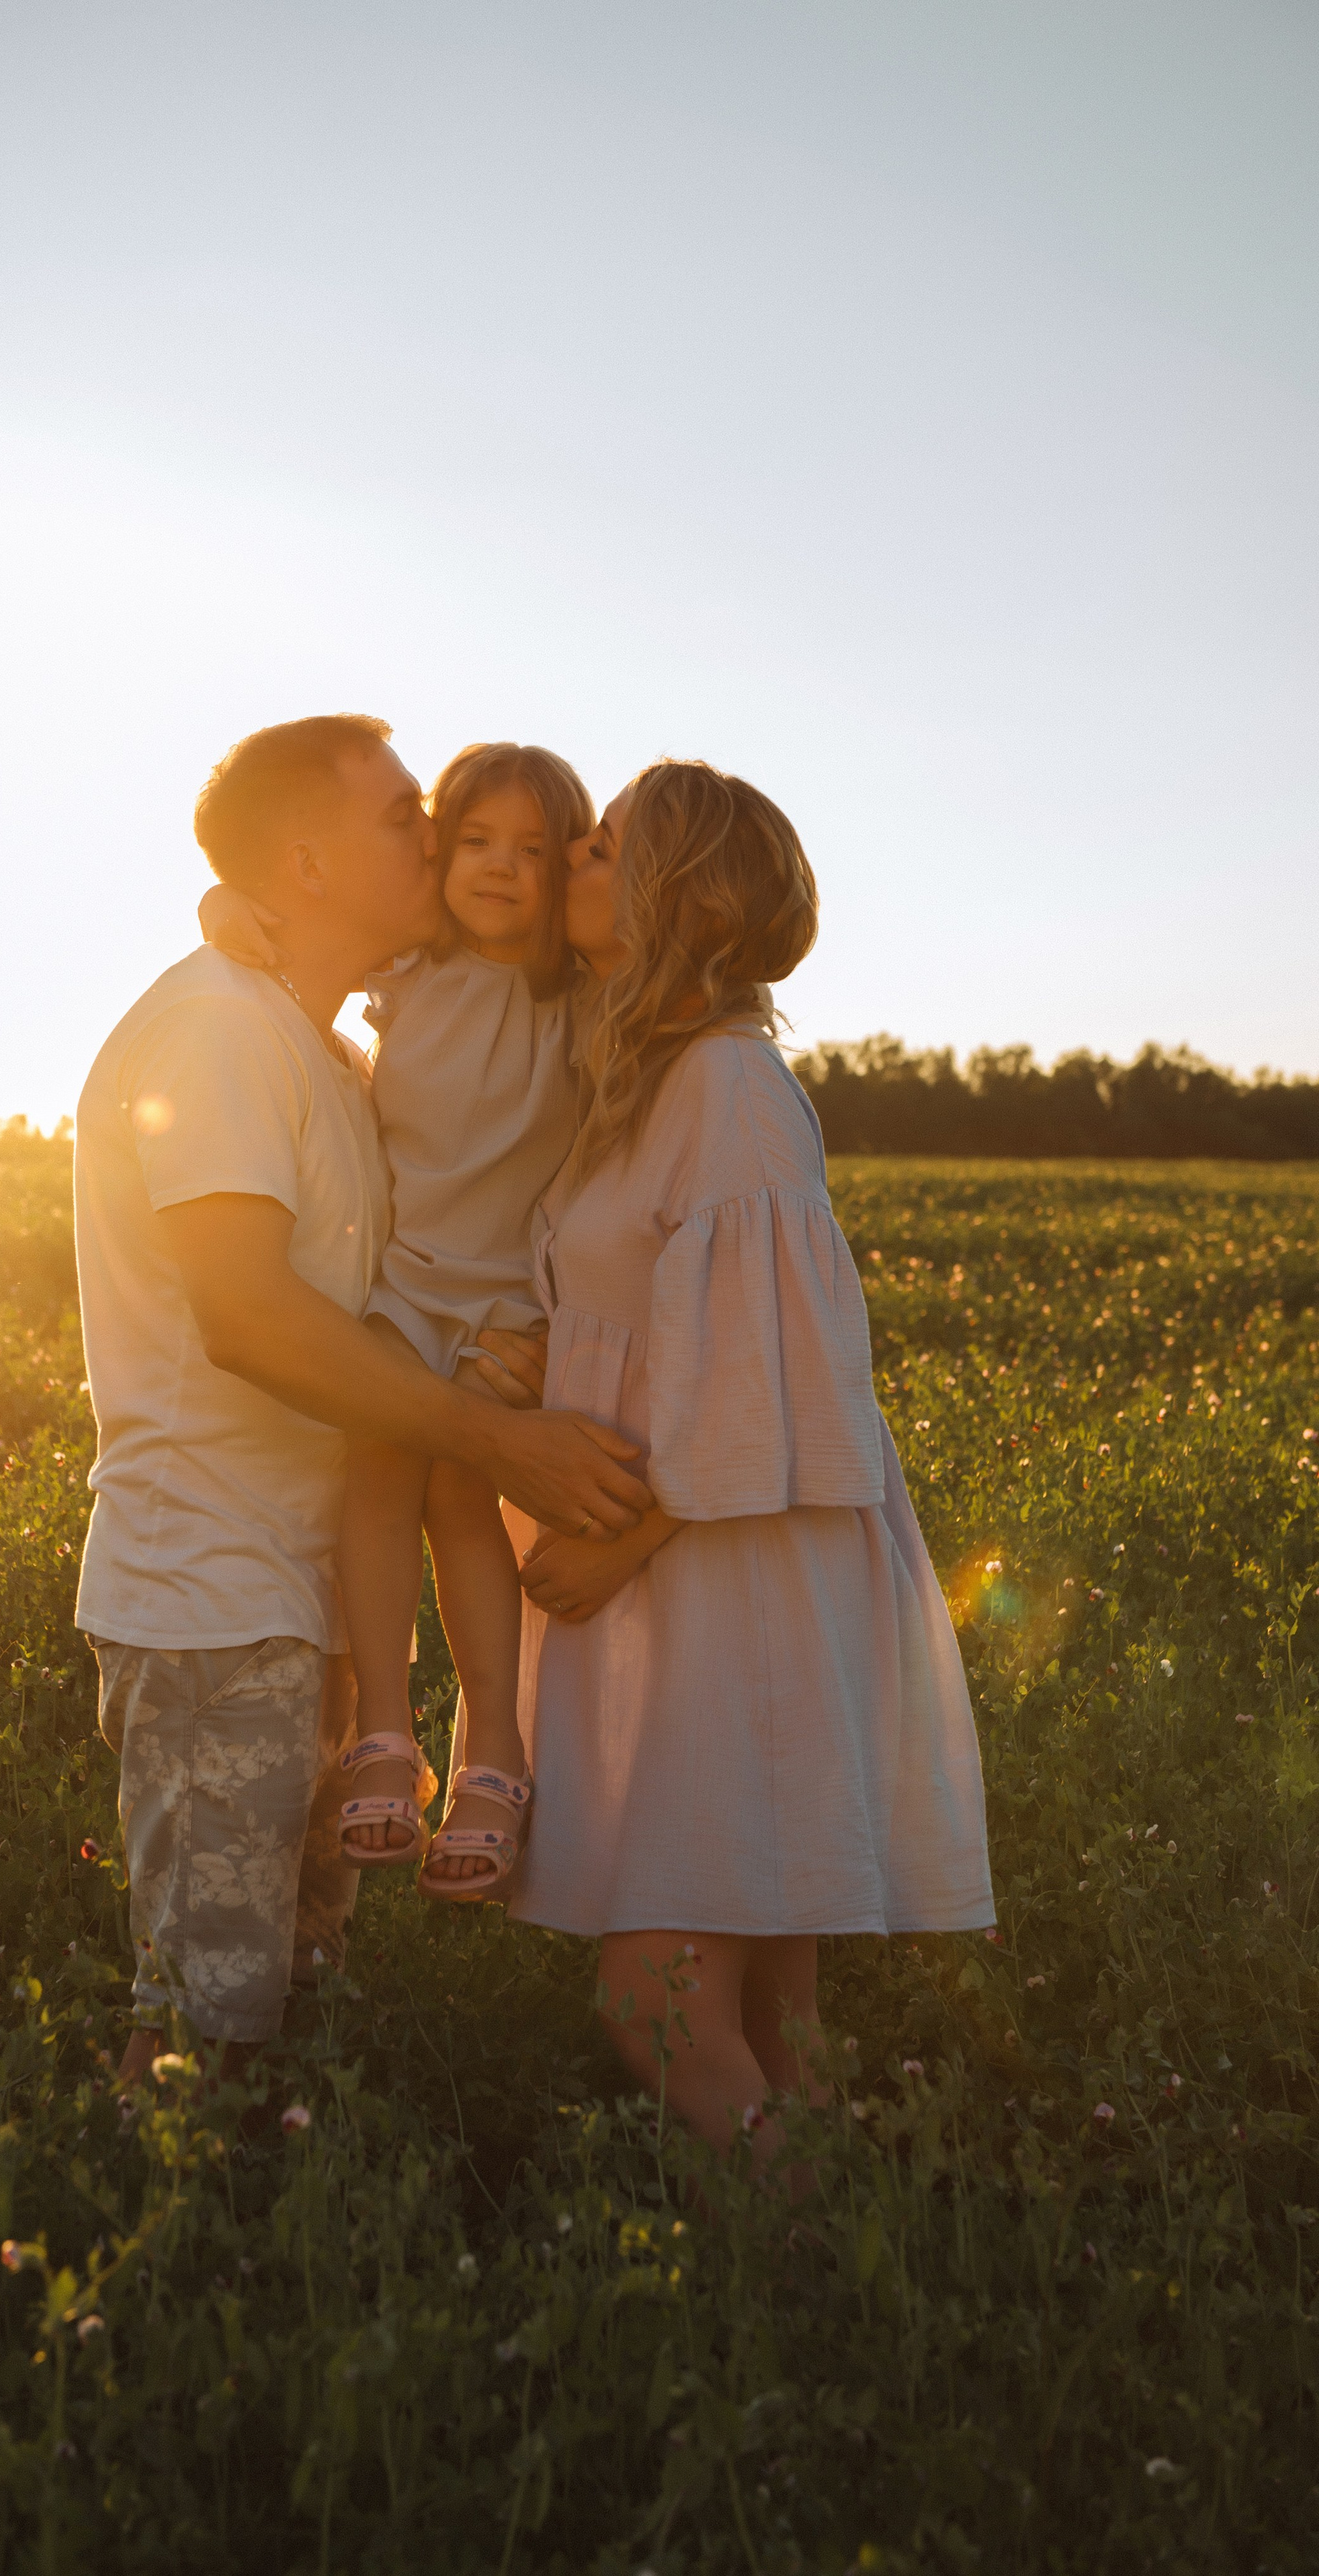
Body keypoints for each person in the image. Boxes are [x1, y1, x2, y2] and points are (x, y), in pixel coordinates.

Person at [72, 714, 651, 2087]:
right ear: (308, 858)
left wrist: (506, 1345)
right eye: (407, 815)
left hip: (309, 1586)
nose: (438, 837)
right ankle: (144, 2272)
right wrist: (490, 1435)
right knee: (209, 2008)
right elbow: (250, 1317)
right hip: (213, 1596)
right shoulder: (217, 1034)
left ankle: (277, 2269)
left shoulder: (324, 1047)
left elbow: (434, 1249)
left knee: (289, 1985)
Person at [508, 760, 996, 2171]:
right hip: (695, 1563)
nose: (568, 864)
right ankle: (854, 2284)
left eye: (598, 847)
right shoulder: (653, 1079)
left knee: (651, 2000)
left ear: (669, 892)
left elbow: (768, 1371)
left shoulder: (728, 1087)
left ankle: (804, 2277)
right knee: (777, 2021)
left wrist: (615, 1537)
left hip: (730, 1573)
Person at [199, 742, 593, 1900]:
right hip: (407, 1280)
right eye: (472, 841)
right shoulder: (415, 966)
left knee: (463, 1494)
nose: (499, 869)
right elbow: (255, 901)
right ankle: (384, 1736)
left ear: (566, 870)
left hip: (508, 1302)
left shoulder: (581, 988)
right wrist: (224, 901)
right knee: (376, 1470)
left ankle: (494, 1760)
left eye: (531, 850)